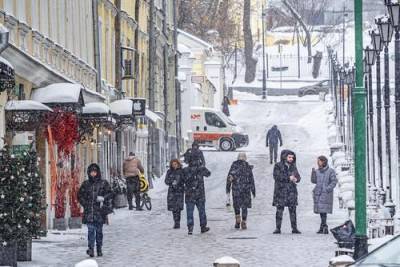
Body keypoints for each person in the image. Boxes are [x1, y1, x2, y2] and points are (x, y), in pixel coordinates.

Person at [78, 163, 113, 257]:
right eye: (91, 172)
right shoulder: (85, 184)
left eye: (94, 172)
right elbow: (80, 195)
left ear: (97, 173)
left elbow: (110, 193)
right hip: (89, 212)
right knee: (90, 231)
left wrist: (103, 198)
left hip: (100, 212)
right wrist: (85, 203)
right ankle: (91, 249)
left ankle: (99, 248)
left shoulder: (103, 183)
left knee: (99, 231)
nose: (93, 174)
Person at [272, 150, 301, 234]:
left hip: (291, 192)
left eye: (292, 157)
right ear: (285, 157)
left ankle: (294, 228)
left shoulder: (293, 166)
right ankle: (278, 228)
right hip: (281, 191)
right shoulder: (278, 165)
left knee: (293, 211)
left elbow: (298, 176)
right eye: (289, 157)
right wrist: (288, 178)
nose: (291, 159)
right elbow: (276, 176)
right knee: (279, 210)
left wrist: (297, 179)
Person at [226, 152, 256, 230]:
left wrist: (228, 189)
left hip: (236, 190)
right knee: (244, 206)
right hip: (245, 190)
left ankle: (237, 220)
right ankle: (244, 222)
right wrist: (253, 190)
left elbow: (229, 178)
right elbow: (251, 179)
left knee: (236, 206)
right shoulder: (247, 166)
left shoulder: (234, 166)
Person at [311, 155, 338, 234]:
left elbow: (334, 181)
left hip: (326, 194)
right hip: (318, 193)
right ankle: (323, 226)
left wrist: (327, 189)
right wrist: (313, 173)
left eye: (319, 161)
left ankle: (324, 226)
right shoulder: (317, 171)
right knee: (321, 211)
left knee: (324, 211)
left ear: (323, 161)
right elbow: (313, 181)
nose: (317, 162)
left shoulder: (330, 171)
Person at [183, 164, 211, 235]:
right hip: (199, 194)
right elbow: (208, 174)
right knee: (201, 211)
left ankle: (190, 228)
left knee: (190, 212)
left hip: (190, 194)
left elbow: (181, 180)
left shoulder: (186, 170)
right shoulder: (200, 169)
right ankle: (203, 227)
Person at [165, 159, 185, 229]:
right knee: (173, 208)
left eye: (175, 164)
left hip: (179, 191)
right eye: (173, 164)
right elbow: (166, 181)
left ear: (178, 164)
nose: (174, 165)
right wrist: (172, 181)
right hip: (172, 191)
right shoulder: (169, 171)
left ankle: (177, 223)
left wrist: (179, 182)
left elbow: (184, 180)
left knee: (178, 208)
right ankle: (176, 222)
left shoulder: (182, 171)